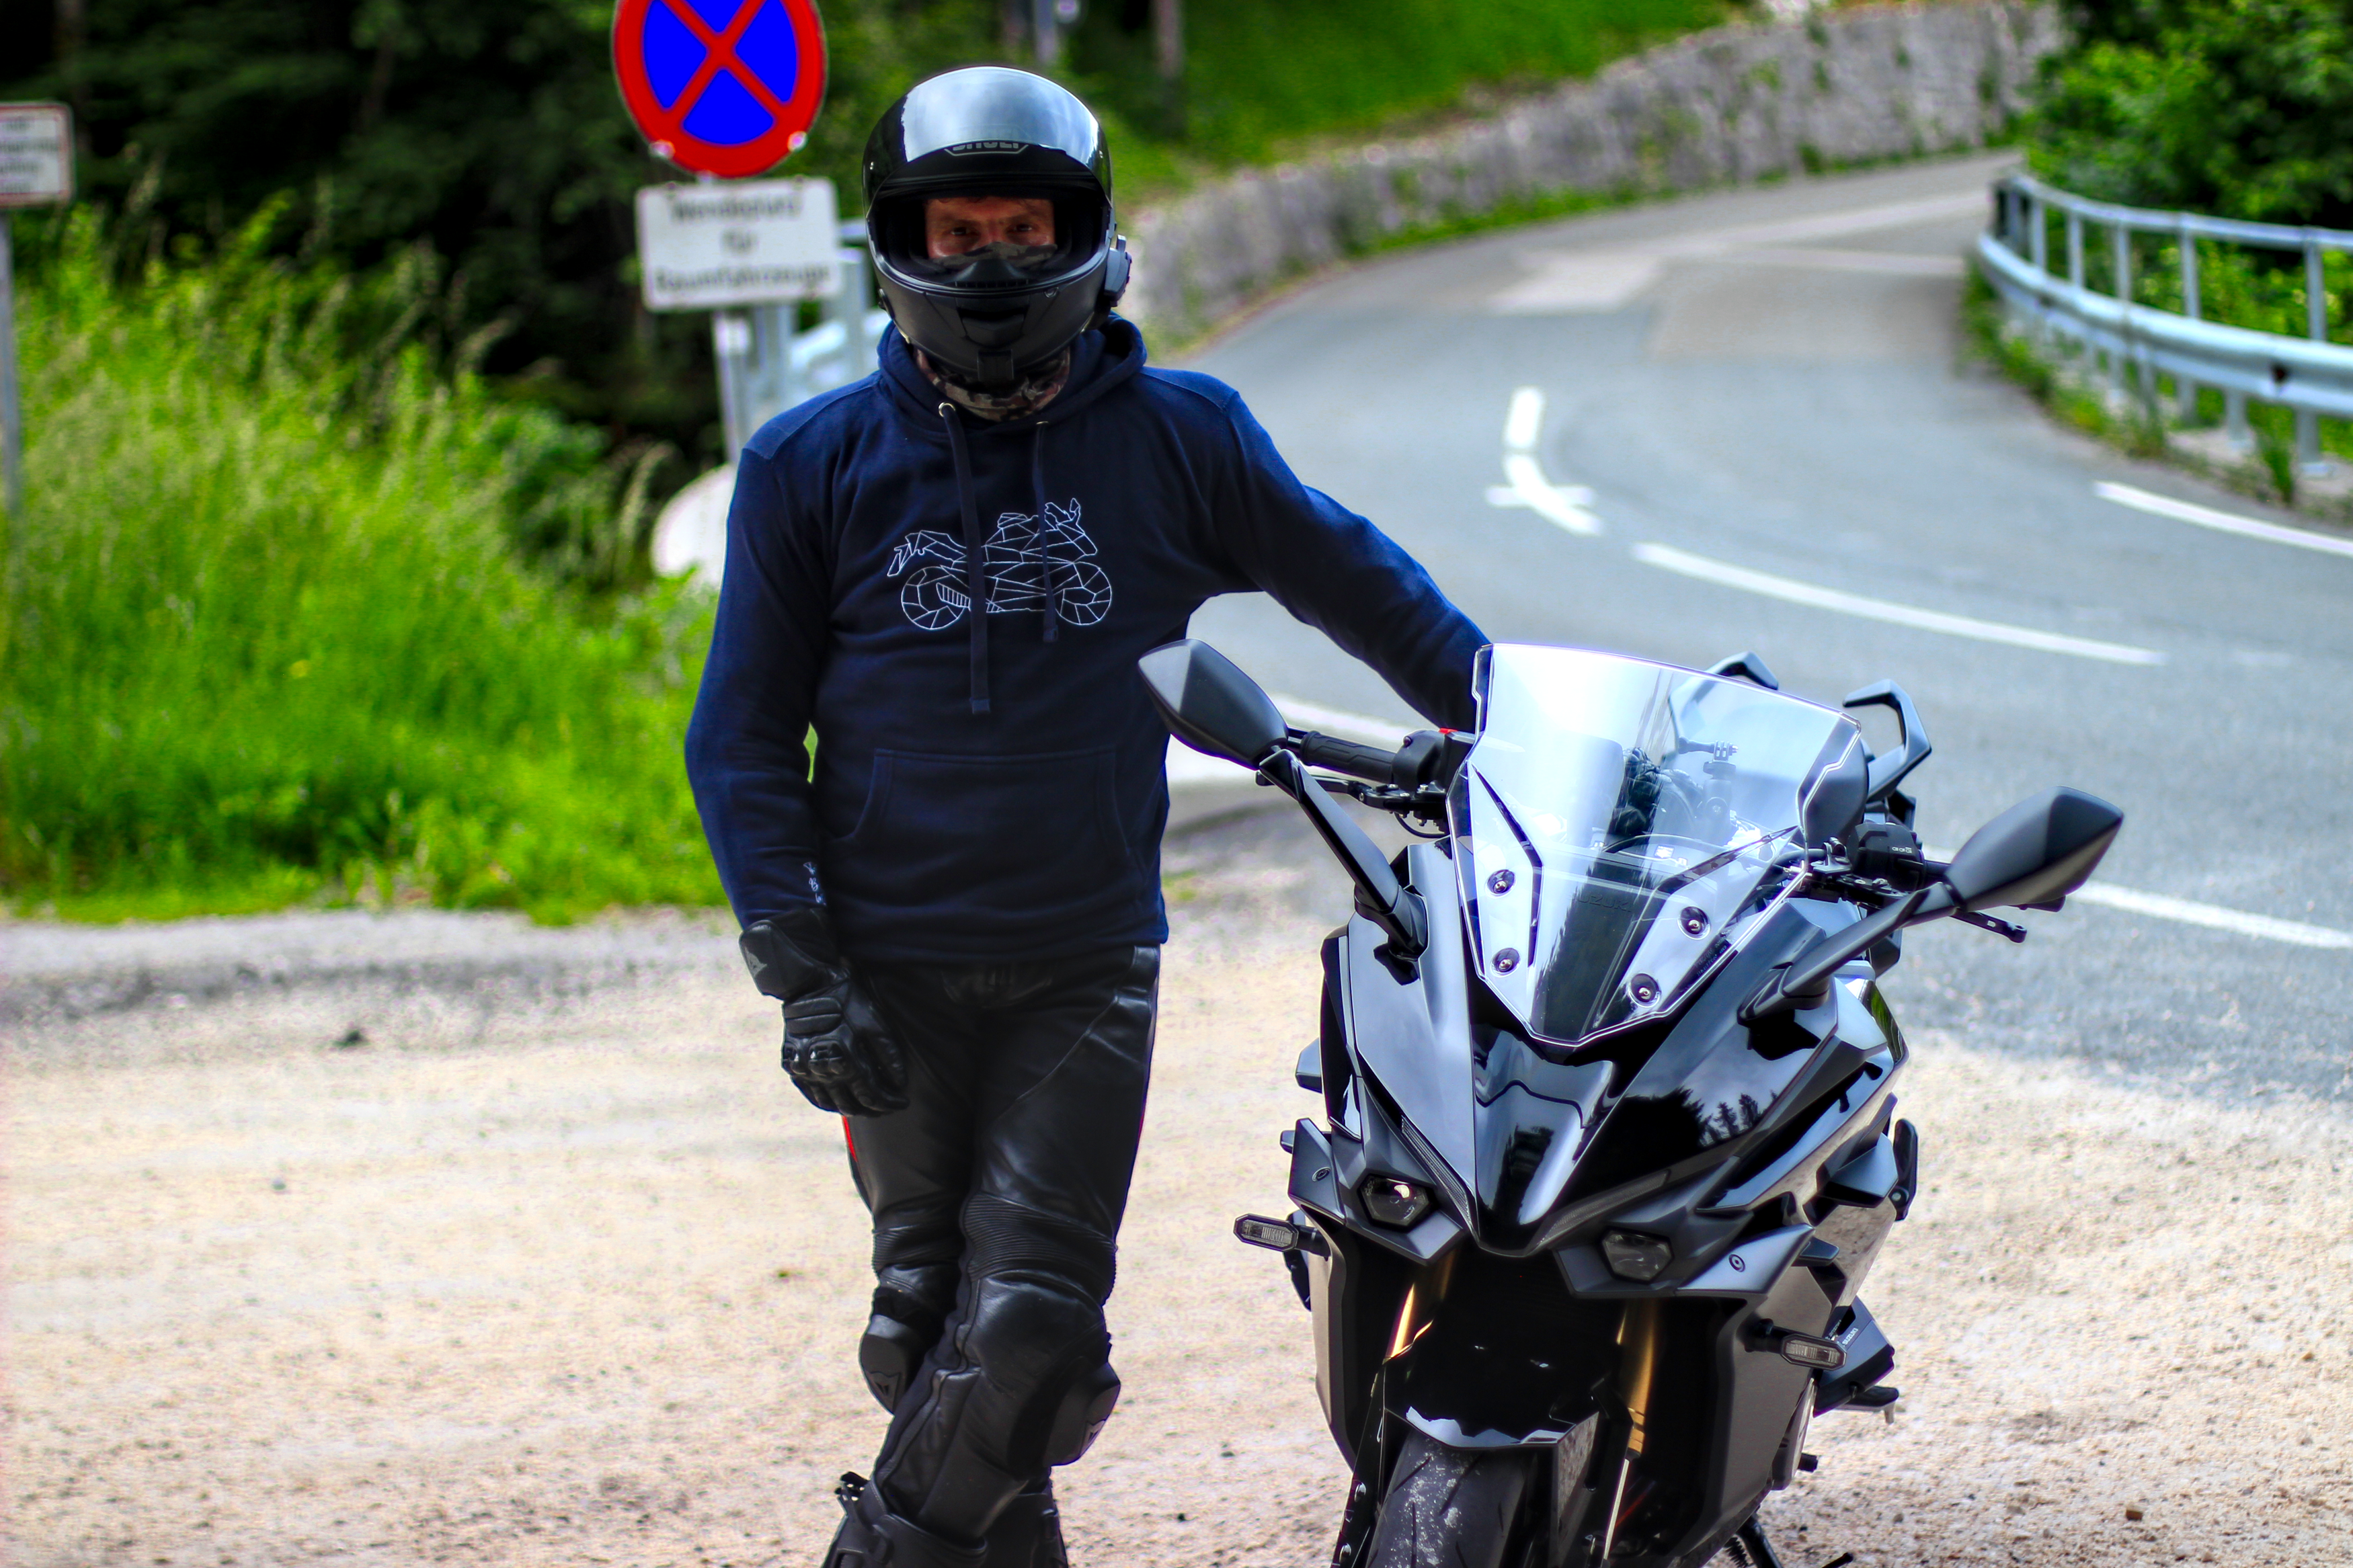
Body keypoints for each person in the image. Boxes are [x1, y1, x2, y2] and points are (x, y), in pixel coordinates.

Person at [683, 65, 1488, 1568]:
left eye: (1022, 225)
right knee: (924, 1324)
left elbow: (1361, 584)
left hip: (1083, 961)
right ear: (900, 243)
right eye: (958, 226)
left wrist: (1510, 722)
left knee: (1036, 1319)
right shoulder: (808, 467)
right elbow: (735, 737)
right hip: (884, 970)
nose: (991, 260)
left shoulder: (1181, 438)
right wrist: (800, 971)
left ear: (1089, 237)